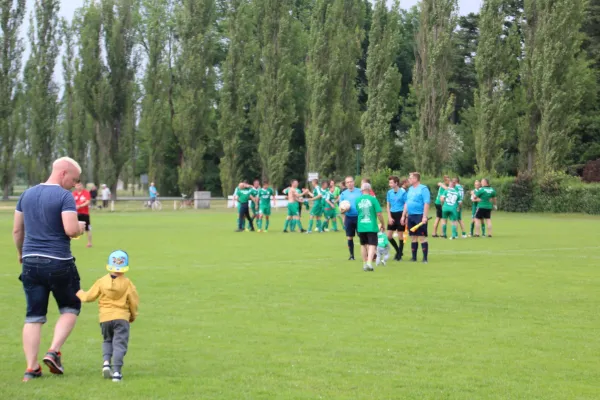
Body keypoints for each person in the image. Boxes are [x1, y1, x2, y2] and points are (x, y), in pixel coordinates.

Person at [14, 157, 85, 382]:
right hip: (58, 261)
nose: (75, 184)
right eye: (74, 179)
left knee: (33, 316)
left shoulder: (26, 195)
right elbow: (71, 229)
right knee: (70, 306)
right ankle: (53, 351)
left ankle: (31, 369)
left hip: (30, 261)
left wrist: (20, 254)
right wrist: (81, 228)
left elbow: (17, 230)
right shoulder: (64, 197)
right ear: (63, 173)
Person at [77, 250, 139, 382]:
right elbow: (133, 302)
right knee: (119, 344)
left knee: (107, 340)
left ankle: (106, 363)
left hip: (105, 318)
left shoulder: (101, 281)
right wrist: (132, 316)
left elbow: (89, 297)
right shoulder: (128, 284)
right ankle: (116, 372)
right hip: (121, 317)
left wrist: (80, 293)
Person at [401, 172, 431, 263]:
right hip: (411, 216)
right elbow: (407, 203)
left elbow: (427, 203)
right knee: (413, 237)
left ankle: (425, 258)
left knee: (421, 237)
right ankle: (414, 258)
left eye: (410, 178)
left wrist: (424, 216)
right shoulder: (409, 189)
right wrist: (403, 216)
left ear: (415, 179)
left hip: (420, 215)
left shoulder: (423, 189)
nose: (409, 180)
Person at [356, 182, 385, 271]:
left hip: (361, 225)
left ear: (362, 190)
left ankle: (364, 264)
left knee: (363, 245)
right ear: (370, 189)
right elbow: (379, 214)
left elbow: (359, 211)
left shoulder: (357, 200)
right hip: (371, 226)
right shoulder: (373, 199)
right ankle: (369, 263)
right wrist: (383, 224)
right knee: (372, 244)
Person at [339, 176, 363, 261]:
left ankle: (366, 254)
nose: (349, 183)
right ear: (346, 184)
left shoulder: (360, 191)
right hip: (349, 218)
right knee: (349, 237)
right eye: (347, 182)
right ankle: (352, 255)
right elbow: (341, 210)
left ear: (353, 182)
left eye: (351, 181)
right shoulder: (343, 194)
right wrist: (345, 210)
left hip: (359, 217)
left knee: (362, 236)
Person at [386, 176, 408, 261]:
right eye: (389, 182)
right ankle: (398, 251)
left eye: (391, 182)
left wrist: (403, 216)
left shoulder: (403, 192)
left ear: (396, 183)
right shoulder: (389, 192)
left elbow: (406, 204)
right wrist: (389, 217)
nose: (390, 184)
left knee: (400, 236)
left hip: (400, 214)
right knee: (389, 236)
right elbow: (388, 205)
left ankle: (399, 255)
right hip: (392, 214)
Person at [73, 182, 93, 248]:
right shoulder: (73, 193)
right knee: (72, 227)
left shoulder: (86, 193)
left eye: (80, 185)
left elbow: (88, 201)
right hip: (75, 213)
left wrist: (80, 206)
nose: (79, 186)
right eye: (77, 185)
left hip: (84, 214)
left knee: (87, 228)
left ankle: (89, 242)